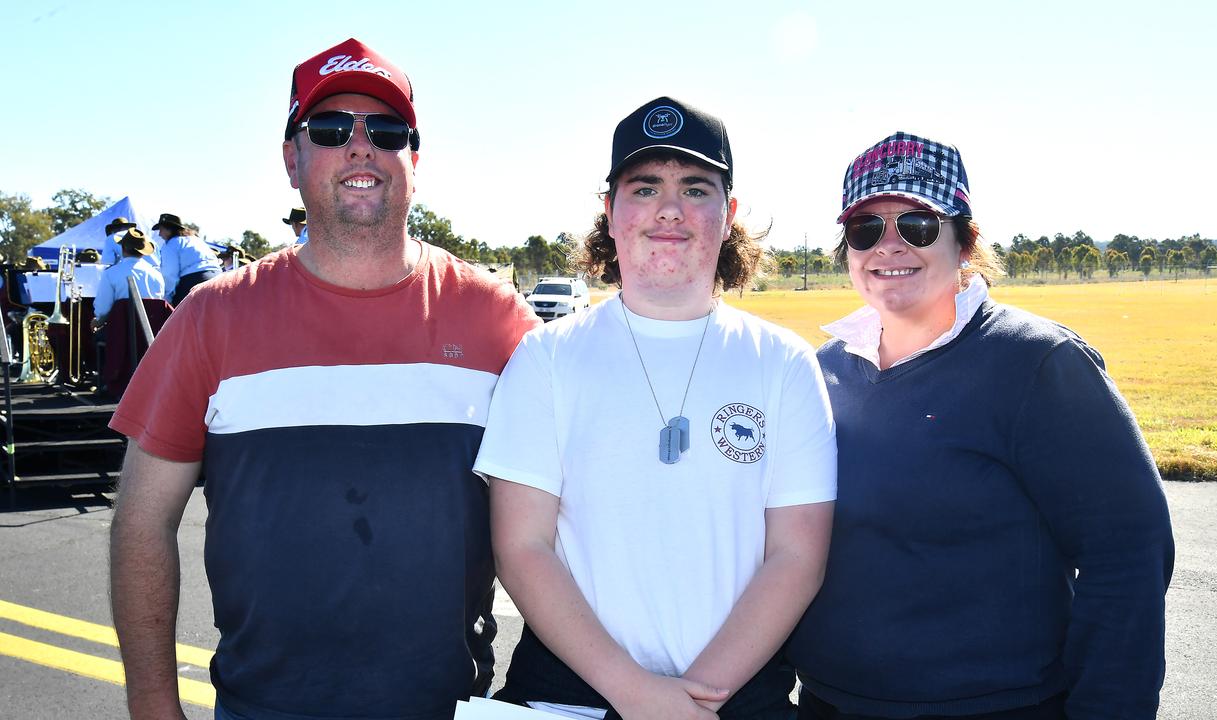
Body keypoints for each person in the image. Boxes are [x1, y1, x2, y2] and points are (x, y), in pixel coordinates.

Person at [108, 37, 539, 720]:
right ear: (292, 159)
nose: (361, 147)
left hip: (450, 708)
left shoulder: (498, 320)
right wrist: (155, 709)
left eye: (388, 130)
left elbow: (571, 518)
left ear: (415, 161)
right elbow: (140, 522)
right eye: (332, 129)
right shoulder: (212, 317)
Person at [786, 132, 1175, 720]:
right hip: (829, 703)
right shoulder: (821, 373)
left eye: (916, 225)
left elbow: (1127, 557)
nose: (888, 246)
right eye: (865, 230)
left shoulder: (1037, 362)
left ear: (964, 241)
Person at [476, 97, 838, 720]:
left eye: (695, 187)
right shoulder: (547, 358)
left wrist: (692, 701)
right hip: (567, 697)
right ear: (611, 213)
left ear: (728, 215)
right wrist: (637, 694)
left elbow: (797, 555)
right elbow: (522, 545)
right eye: (644, 187)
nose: (669, 208)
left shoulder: (783, 363)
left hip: (738, 699)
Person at [92, 227, 166, 321]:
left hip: (121, 329)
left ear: (122, 248)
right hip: (152, 330)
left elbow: (102, 309)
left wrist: (98, 320)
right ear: (143, 252)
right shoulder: (157, 275)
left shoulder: (110, 273)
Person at [152, 213, 222, 305]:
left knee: (179, 314)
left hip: (195, 281)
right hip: (218, 280)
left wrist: (167, 299)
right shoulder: (196, 240)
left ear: (169, 229)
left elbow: (169, 274)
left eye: (161, 230)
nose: (160, 234)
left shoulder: (171, 244)